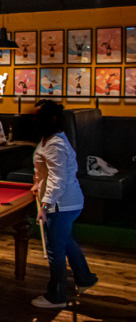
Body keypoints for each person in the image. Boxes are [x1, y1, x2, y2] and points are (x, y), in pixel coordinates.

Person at [30, 100, 97, 308]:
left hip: (61, 206)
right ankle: (85, 279)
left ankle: (56, 296)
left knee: (55, 250)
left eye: (38, 116)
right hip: (67, 203)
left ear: (51, 119)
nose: (34, 119)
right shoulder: (50, 139)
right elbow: (48, 173)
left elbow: (58, 179)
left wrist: (45, 205)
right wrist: (38, 184)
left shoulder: (55, 144)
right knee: (66, 242)